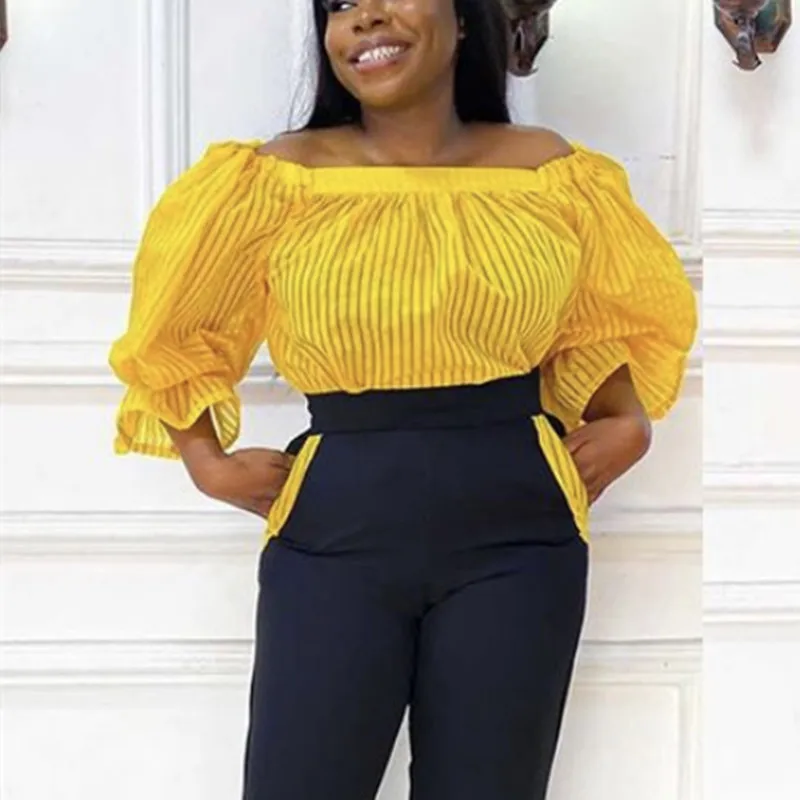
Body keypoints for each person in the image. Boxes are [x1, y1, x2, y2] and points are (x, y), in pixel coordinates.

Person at [108, 0, 698, 798]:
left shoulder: (552, 174)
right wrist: (205, 460)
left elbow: (595, 321)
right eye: (340, 6)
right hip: (335, 525)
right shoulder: (273, 179)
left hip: (521, 533)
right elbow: (179, 327)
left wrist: (627, 421)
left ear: (466, 18)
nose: (364, 19)